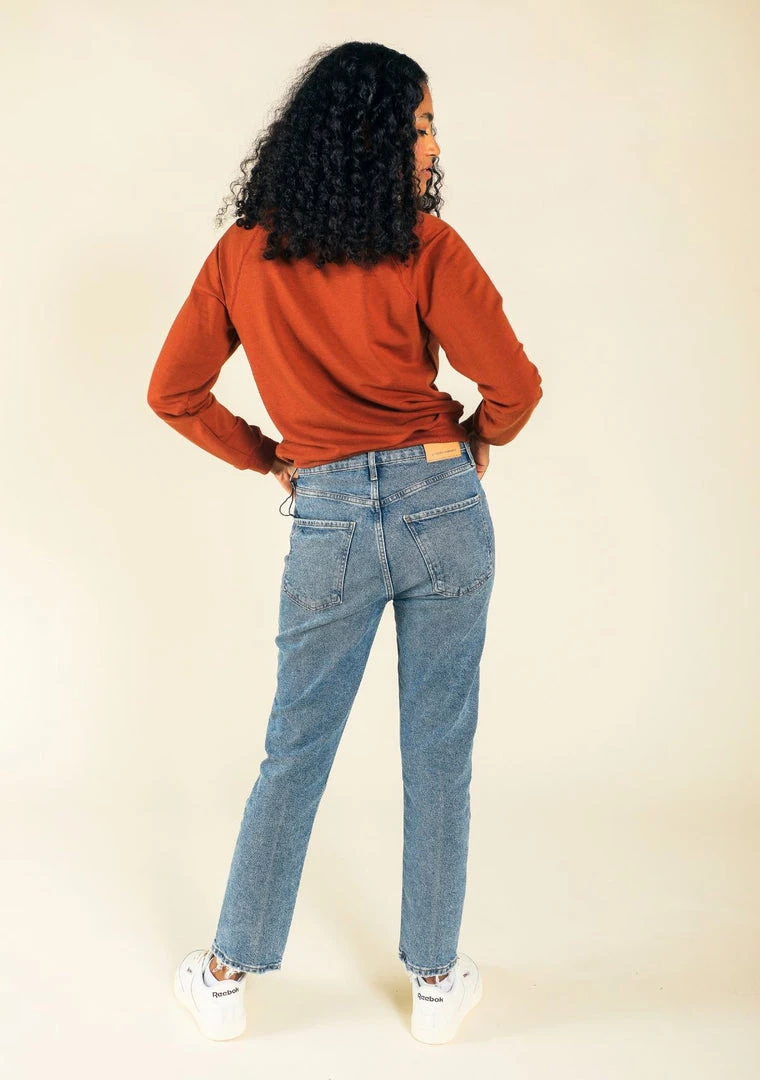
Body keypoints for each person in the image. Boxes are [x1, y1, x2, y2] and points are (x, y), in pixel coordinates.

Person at [147, 40, 543, 1045]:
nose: (433, 147)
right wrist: (476, 439)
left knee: (295, 750)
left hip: (327, 516)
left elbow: (173, 391)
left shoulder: (243, 254)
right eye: (421, 128)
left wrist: (268, 455)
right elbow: (515, 386)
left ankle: (225, 976)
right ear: (373, 138)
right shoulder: (426, 245)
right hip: (441, 503)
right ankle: (437, 980)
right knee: (439, 749)